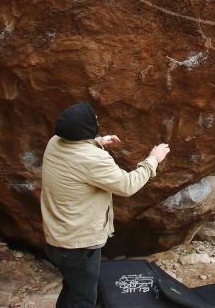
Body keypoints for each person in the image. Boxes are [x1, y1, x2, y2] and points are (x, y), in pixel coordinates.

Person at [40, 102, 170, 308]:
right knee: (83, 300)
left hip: (56, 239)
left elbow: (77, 152)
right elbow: (127, 185)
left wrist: (98, 141)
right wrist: (153, 160)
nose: (98, 122)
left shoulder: (54, 143)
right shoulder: (93, 159)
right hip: (79, 246)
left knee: (72, 288)